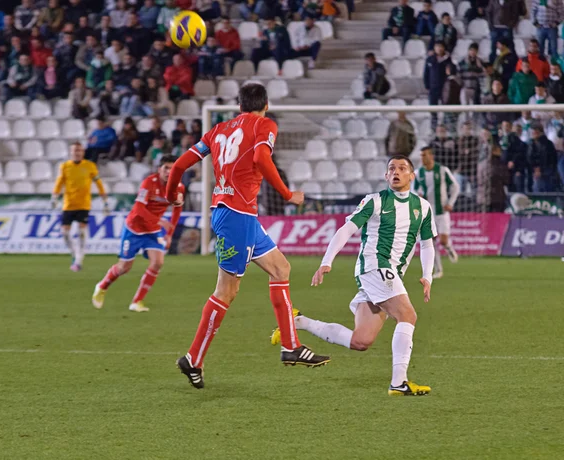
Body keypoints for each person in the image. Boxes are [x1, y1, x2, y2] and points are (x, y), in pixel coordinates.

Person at [165, 83, 329, 388]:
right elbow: (261, 160)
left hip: (239, 215)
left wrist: (171, 192)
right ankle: (193, 359)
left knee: (281, 268)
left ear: (239, 105)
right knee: (226, 292)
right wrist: (287, 194)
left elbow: (179, 164)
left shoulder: (217, 130)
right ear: (265, 105)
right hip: (236, 217)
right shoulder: (264, 125)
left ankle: (290, 347)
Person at [271, 155, 436, 396]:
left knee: (361, 341)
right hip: (375, 267)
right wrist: (326, 262)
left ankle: (297, 321)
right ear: (385, 175)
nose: (396, 172)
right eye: (391, 168)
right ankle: (398, 383)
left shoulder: (423, 207)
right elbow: (346, 229)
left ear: (412, 175)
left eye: (402, 168)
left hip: (390, 274)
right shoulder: (375, 201)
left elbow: (428, 244)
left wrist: (427, 276)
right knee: (407, 315)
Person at [93, 156, 185, 313]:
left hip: (152, 231)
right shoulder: (149, 183)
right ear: (159, 169)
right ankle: (102, 286)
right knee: (124, 268)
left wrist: (169, 234)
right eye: (165, 168)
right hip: (134, 229)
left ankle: (137, 301)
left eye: (172, 168)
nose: (169, 172)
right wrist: (160, 221)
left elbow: (177, 210)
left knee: (158, 262)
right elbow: (138, 209)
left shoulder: (179, 187)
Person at [51, 142, 109, 272]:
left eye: (79, 151)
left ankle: (78, 260)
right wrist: (54, 197)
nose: (76, 153)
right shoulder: (65, 166)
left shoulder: (90, 166)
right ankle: (74, 253)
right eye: (74, 151)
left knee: (81, 232)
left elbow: (98, 183)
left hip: (83, 204)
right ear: (71, 153)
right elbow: (59, 182)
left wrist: (105, 201)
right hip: (68, 204)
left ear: (82, 152)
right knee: (65, 233)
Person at [414, 146, 460, 279]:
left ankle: (449, 248)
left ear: (431, 156)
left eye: (425, 155)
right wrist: (418, 197)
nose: (422, 158)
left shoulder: (443, 170)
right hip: (427, 213)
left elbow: (455, 186)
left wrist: (450, 203)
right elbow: (413, 191)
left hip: (442, 211)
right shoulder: (418, 173)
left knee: (443, 240)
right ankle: (438, 270)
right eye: (421, 155)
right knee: (430, 242)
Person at [424, 41, 451, 129]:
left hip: (444, 88)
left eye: (441, 46)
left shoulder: (448, 59)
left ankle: (445, 128)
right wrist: (427, 85)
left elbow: (451, 72)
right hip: (433, 88)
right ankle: (433, 128)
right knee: (433, 110)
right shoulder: (430, 59)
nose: (439, 48)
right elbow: (426, 73)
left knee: (446, 110)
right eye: (437, 46)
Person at [528, 123, 559, 192]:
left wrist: (540, 170)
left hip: (547, 173)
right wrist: (535, 169)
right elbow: (530, 158)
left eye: (535, 131)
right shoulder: (531, 144)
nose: (533, 133)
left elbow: (551, 160)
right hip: (535, 172)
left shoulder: (548, 144)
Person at [500, 119, 528, 192]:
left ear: (510, 127)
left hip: (514, 168)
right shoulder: (499, 138)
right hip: (503, 168)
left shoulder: (515, 139)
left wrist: (513, 161)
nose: (506, 128)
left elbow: (519, 153)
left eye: (507, 126)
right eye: (504, 126)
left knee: (516, 188)